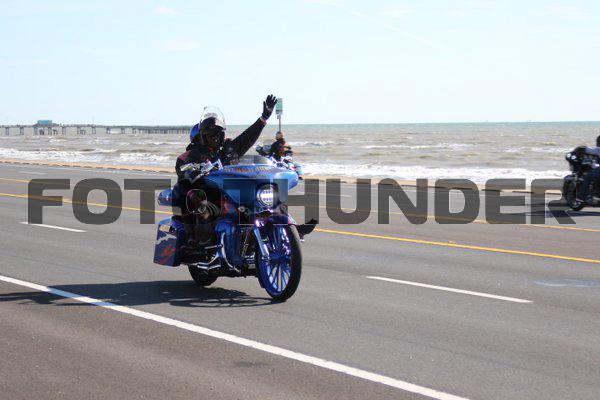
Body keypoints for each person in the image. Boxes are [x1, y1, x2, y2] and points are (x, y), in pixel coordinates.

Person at [173, 95, 278, 247]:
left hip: (233, 191)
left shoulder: (228, 149)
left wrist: (263, 118)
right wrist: (190, 172)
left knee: (265, 196)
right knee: (194, 198)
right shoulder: (192, 154)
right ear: (202, 136)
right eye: (210, 133)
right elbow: (183, 168)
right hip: (211, 194)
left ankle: (285, 227)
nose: (214, 136)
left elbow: (247, 138)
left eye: (217, 132)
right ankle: (197, 239)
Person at [577, 134, 600, 203]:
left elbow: (587, 150)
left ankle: (582, 197)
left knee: (588, 177)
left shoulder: (598, 149)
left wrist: (579, 148)